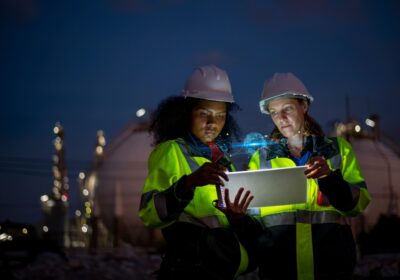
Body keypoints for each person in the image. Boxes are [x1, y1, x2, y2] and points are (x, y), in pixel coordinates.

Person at [248, 72, 371, 280]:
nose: (281, 119)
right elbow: (253, 221)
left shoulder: (337, 150)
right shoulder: (261, 159)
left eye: (287, 109)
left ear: (304, 106)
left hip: (331, 268)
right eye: (274, 113)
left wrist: (330, 179)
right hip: (279, 271)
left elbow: (358, 204)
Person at [139, 65, 257, 280]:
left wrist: (239, 218)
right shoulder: (172, 151)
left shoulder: (223, 159)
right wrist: (188, 184)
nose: (213, 123)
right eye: (204, 114)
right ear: (187, 113)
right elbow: (149, 213)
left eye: (221, 116)